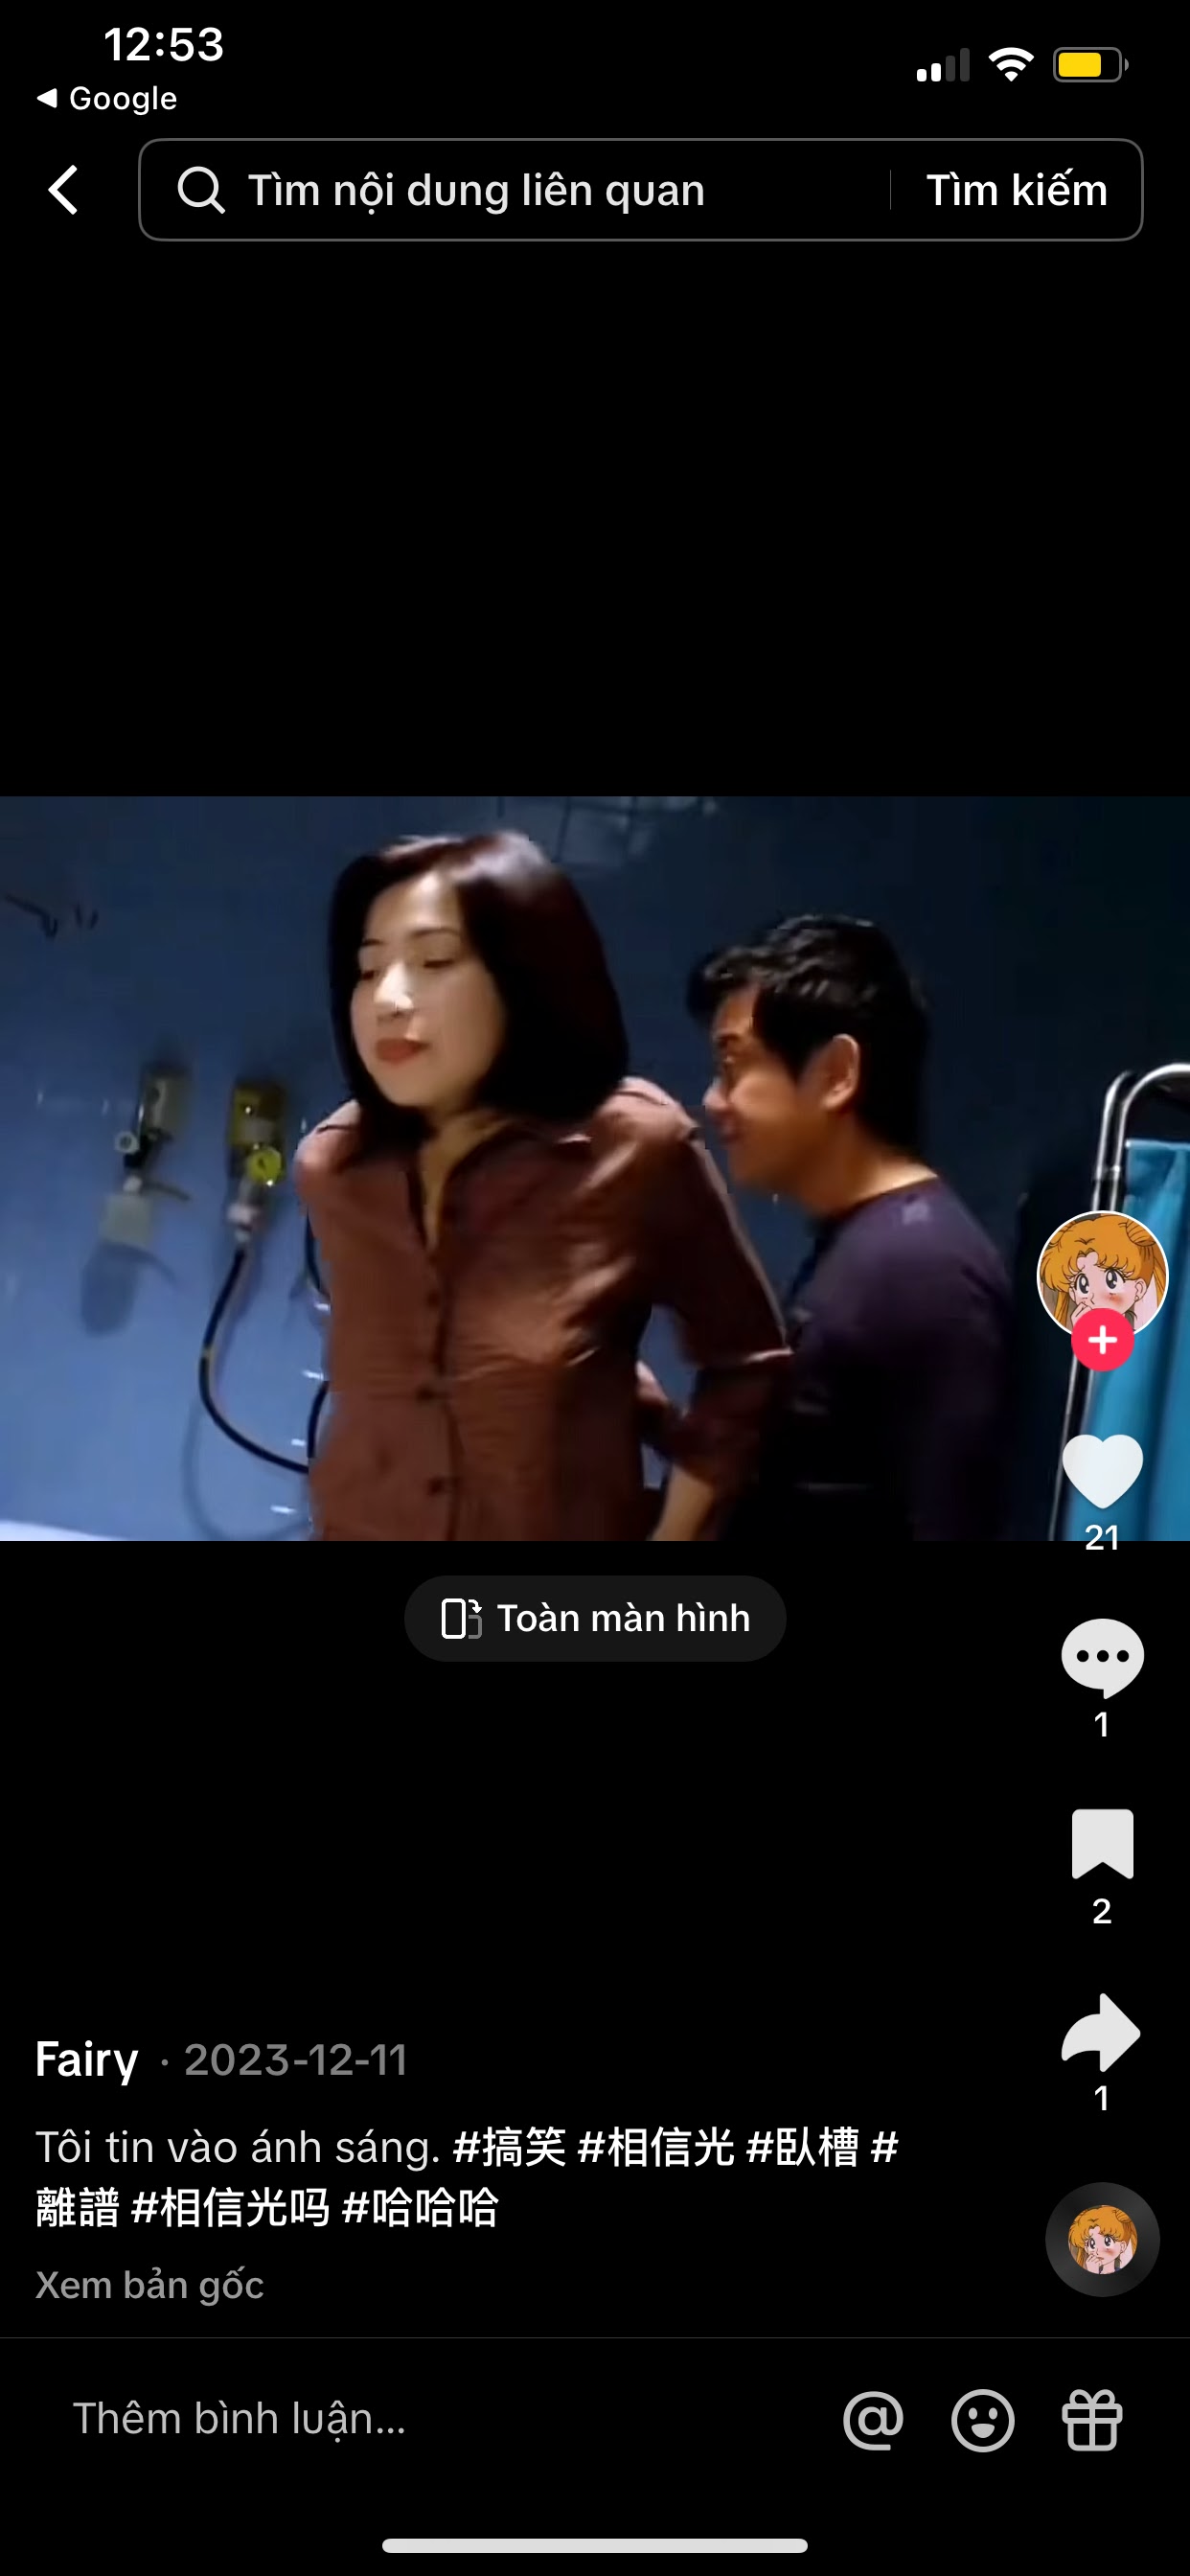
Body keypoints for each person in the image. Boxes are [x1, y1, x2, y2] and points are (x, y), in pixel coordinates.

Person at [293, 832, 791, 1540]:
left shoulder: (634, 1146)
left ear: (523, 977)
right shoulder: (335, 1167)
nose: (388, 1000)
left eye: (435, 961)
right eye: (368, 970)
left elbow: (747, 1369)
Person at [654, 913, 1013, 1543]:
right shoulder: (873, 1247)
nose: (712, 1100)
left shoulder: (922, 1269)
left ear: (836, 1074)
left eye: (734, 1066)